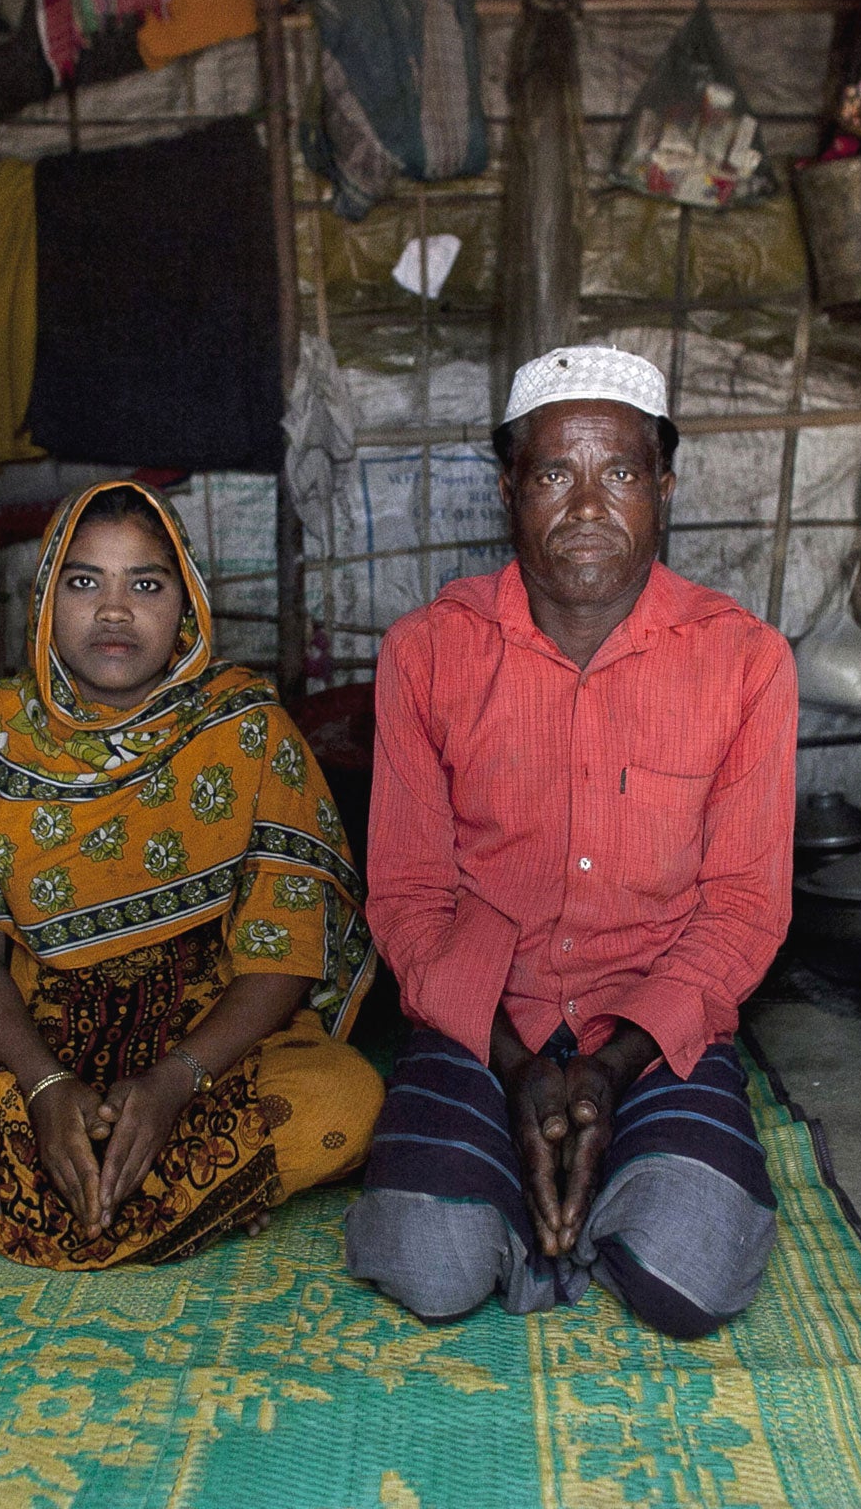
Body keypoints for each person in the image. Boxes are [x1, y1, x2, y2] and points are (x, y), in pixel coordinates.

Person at [0, 480, 383, 1268]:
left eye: (145, 583)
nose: (114, 611)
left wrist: (174, 1082)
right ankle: (191, 1182)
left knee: (346, 1100)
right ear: (46, 596)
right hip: (37, 1042)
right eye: (84, 582)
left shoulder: (250, 734)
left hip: (207, 1050)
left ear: (186, 602)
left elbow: (283, 960)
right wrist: (44, 1087)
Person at [342, 346, 796, 1338]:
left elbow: (742, 907)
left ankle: (575, 1174)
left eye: (620, 473)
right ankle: (540, 1177)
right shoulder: (426, 653)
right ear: (508, 488)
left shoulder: (743, 661)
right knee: (429, 1264)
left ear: (662, 487)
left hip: (651, 1019)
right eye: (553, 472)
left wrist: (608, 1068)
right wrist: (512, 1065)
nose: (586, 505)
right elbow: (408, 897)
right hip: (483, 1019)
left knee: (687, 1275)